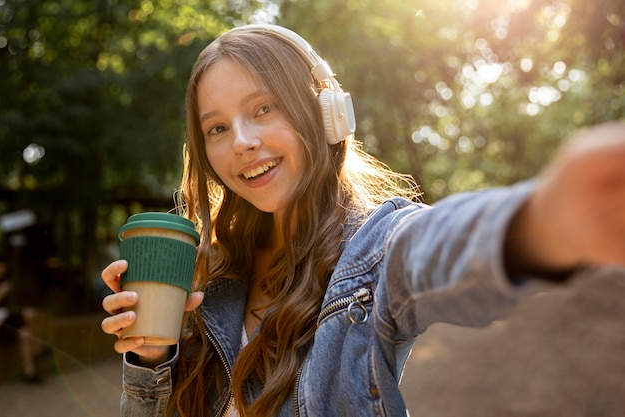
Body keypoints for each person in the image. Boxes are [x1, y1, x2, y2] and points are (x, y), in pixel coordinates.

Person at [100, 24, 625, 417]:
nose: (242, 141)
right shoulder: (203, 274)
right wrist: (150, 362)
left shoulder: (372, 248)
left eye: (264, 109)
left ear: (326, 112)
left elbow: (432, 248)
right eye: (217, 128)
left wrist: (541, 222)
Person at [0, 257, 43, 383]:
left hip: (6, 322)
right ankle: (40, 349)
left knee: (26, 333)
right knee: (28, 314)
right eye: (0, 266)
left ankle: (29, 372)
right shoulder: (4, 286)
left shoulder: (7, 282)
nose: (3, 269)